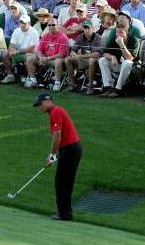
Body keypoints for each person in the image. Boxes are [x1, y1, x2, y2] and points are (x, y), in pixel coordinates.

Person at [33, 93, 82, 222]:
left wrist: (52, 155)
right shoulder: (56, 111)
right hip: (70, 149)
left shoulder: (55, 112)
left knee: (62, 182)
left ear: (48, 101)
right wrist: (55, 155)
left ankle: (64, 214)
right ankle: (65, 213)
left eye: (40, 104)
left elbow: (57, 135)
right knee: (64, 182)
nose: (40, 108)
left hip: (70, 149)